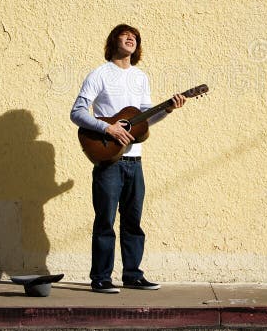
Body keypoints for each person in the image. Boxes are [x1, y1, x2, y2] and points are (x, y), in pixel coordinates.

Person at [70, 24, 186, 293]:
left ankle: (133, 275)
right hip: (109, 160)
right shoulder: (100, 74)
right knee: (105, 220)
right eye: (125, 34)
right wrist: (107, 128)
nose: (131, 37)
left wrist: (167, 109)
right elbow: (77, 112)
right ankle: (100, 278)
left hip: (135, 161)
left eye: (135, 36)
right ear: (114, 40)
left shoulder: (140, 77)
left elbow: (144, 121)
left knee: (133, 221)